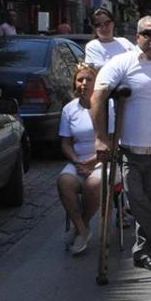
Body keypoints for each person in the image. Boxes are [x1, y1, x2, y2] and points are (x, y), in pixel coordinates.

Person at [92, 16, 151, 274]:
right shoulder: (122, 63)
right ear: (137, 36)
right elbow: (98, 96)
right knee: (138, 203)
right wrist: (101, 138)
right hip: (131, 152)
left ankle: (143, 251)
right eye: (147, 33)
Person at [58, 63, 104, 255]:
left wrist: (93, 162)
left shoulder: (107, 107)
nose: (84, 83)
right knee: (64, 182)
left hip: (103, 160)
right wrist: (77, 162)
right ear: (75, 84)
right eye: (80, 79)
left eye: (89, 79)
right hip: (78, 161)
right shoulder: (69, 109)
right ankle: (82, 229)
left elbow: (112, 141)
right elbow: (66, 143)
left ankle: (80, 228)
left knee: (93, 185)